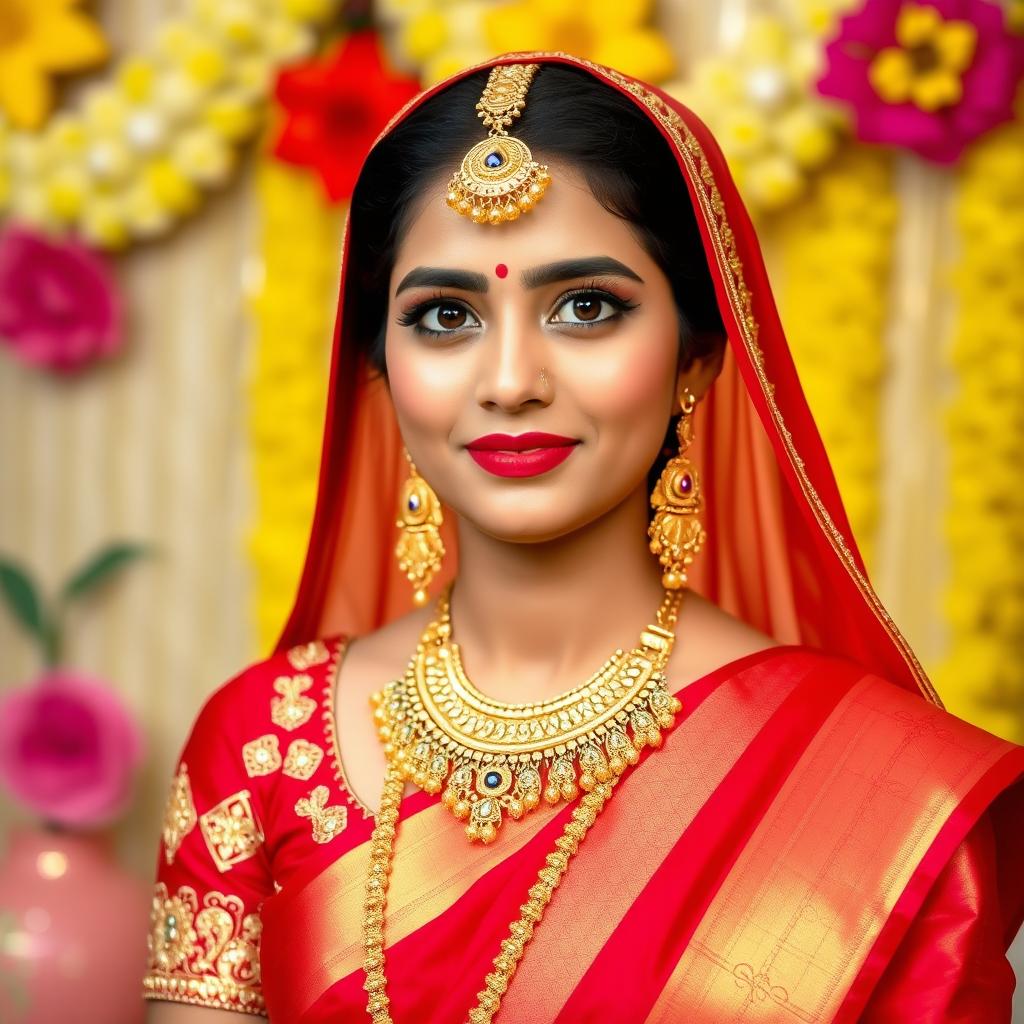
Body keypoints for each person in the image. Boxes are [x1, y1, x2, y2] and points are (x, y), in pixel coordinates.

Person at [142, 52, 1024, 1024]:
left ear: (696, 353)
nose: (511, 377)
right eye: (444, 316)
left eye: (585, 308)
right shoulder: (262, 743)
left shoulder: (877, 794)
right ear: (380, 369)